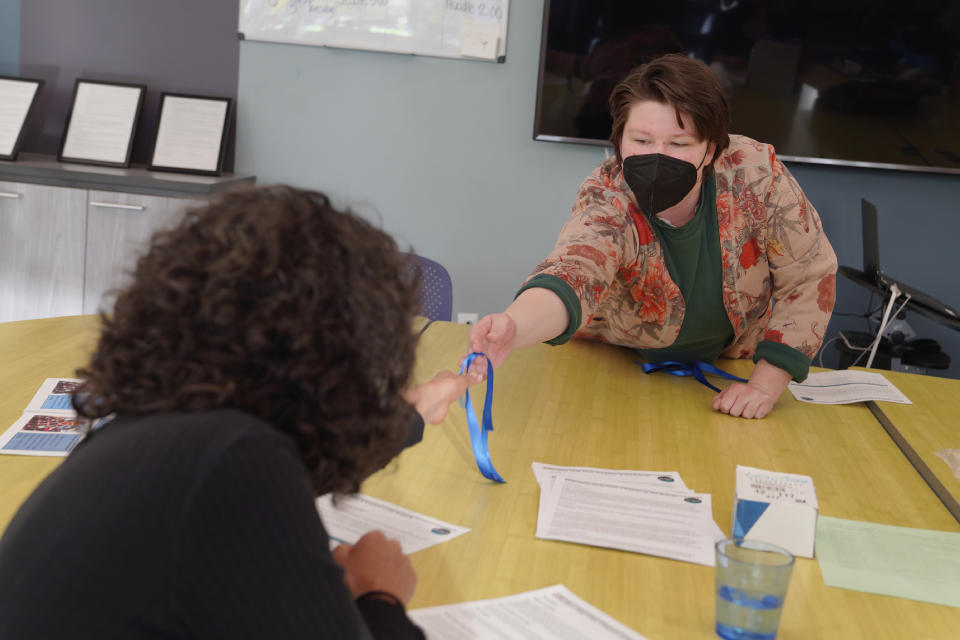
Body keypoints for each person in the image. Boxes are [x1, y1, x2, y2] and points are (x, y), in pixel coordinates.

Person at [0, 186, 473, 639]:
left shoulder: (162, 432)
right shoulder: (240, 460)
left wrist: (413, 409)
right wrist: (381, 595)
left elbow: (296, 458)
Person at [468, 54, 837, 420]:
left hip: (731, 367)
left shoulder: (757, 175)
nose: (657, 157)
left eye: (678, 144)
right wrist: (514, 327)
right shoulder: (608, 196)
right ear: (619, 141)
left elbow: (809, 274)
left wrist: (763, 386)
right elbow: (575, 269)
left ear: (710, 150)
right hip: (613, 365)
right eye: (641, 140)